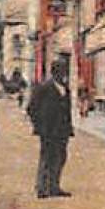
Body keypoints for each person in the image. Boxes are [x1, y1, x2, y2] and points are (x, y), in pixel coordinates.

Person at [27, 56, 74, 198]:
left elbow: (66, 111)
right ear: (54, 72)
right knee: (47, 158)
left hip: (62, 131)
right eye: (61, 70)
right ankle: (41, 188)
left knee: (60, 157)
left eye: (65, 71)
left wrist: (69, 128)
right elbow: (31, 108)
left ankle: (54, 186)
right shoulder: (44, 87)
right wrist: (39, 126)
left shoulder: (65, 89)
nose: (64, 74)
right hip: (47, 130)